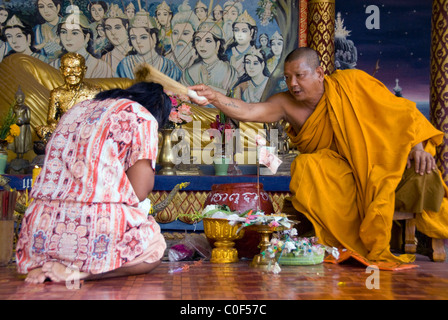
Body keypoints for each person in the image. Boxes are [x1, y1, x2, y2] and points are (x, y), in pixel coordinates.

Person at [189, 47, 448, 266]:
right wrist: (216, 98)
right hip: (335, 175)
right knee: (308, 165)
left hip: (373, 166)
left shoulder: (352, 84)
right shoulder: (285, 103)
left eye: (299, 76)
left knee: (404, 172)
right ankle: (338, 244)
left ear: (320, 73)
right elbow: (248, 110)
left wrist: (418, 147)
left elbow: (403, 114)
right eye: (288, 77)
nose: (292, 83)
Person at [16, 81, 172, 284]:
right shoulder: (142, 116)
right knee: (154, 246)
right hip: (96, 227)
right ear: (158, 111)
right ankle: (80, 273)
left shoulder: (78, 108)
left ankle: (44, 264)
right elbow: (139, 190)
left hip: (39, 228)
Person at [36, 52, 102, 142]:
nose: (72, 73)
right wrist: (62, 127)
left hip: (87, 131)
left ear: (84, 70)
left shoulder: (94, 92)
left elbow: (100, 118)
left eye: (76, 68)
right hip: (65, 131)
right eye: (67, 69)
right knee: (44, 130)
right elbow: (51, 119)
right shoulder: (57, 93)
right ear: (61, 70)